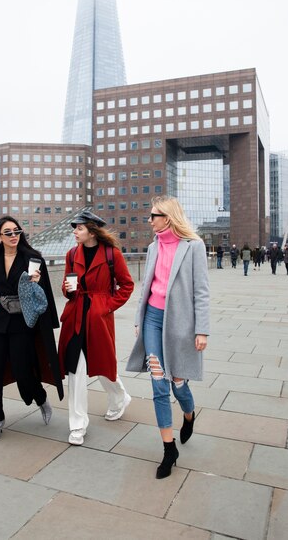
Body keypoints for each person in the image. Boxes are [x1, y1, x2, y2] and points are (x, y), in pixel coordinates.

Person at [126, 196, 209, 479]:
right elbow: (147, 286)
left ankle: (188, 414)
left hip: (179, 324)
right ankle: (168, 448)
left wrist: (202, 330)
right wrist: (139, 320)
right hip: (152, 319)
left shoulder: (194, 246)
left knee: (177, 383)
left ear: (168, 217)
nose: (149, 220)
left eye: (154, 215)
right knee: (159, 383)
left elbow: (201, 291)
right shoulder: (153, 247)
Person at [0, 216, 64, 443]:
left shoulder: (33, 259)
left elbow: (43, 296)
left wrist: (36, 283)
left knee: (23, 371)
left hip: (22, 323)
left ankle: (41, 399)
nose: (13, 236)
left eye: (16, 231)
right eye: (8, 232)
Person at [59, 210, 134, 446]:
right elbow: (66, 286)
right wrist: (68, 289)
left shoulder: (112, 254)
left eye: (79, 228)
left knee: (103, 365)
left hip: (98, 317)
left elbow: (127, 285)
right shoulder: (72, 254)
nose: (75, 232)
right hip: (75, 317)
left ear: (91, 231)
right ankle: (77, 425)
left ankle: (120, 398)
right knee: (76, 370)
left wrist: (106, 306)